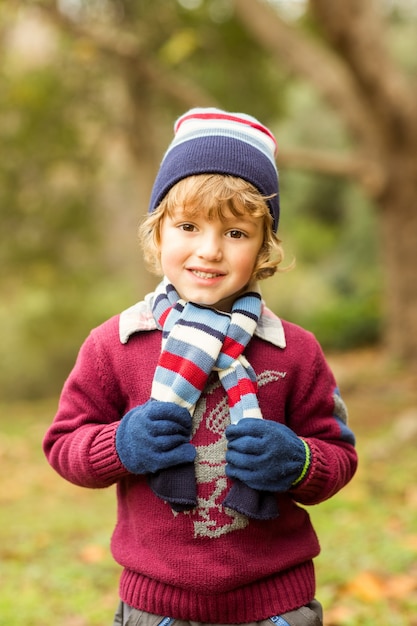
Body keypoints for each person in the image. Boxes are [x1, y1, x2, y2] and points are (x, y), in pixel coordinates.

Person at [43, 108, 358, 626]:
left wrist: (298, 459)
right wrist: (120, 445)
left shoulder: (293, 350)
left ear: (264, 247)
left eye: (235, 233)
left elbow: (338, 456)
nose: (209, 251)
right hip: (157, 604)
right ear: (158, 234)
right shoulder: (117, 343)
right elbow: (63, 446)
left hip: (275, 604)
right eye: (188, 226)